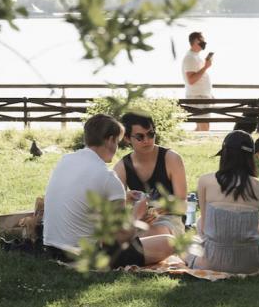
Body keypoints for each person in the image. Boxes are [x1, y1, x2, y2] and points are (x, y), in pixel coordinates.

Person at [43, 114, 173, 267]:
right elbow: (117, 239)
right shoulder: (108, 178)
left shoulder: (65, 160)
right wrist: (137, 218)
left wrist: (121, 197)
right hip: (85, 257)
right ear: (110, 140)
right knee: (169, 242)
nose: (117, 147)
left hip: (51, 249)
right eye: (117, 142)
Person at [188, 131, 259, 273]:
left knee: (183, 244)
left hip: (212, 262)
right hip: (250, 263)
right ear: (250, 158)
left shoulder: (205, 181)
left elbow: (205, 228)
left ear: (224, 155)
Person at [114, 112, 187, 236]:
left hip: (169, 220)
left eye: (151, 134)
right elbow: (115, 211)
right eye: (140, 137)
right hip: (137, 220)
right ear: (127, 138)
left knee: (155, 234)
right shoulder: (122, 167)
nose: (147, 140)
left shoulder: (171, 159)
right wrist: (127, 201)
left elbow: (183, 204)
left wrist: (166, 208)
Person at [181, 31, 214, 132]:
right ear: (196, 41)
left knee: (201, 128)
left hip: (202, 97)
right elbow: (191, 80)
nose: (204, 43)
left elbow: (200, 77)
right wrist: (205, 67)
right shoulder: (190, 58)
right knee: (204, 128)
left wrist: (209, 94)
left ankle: (187, 140)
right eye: (202, 40)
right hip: (197, 98)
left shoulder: (195, 56)